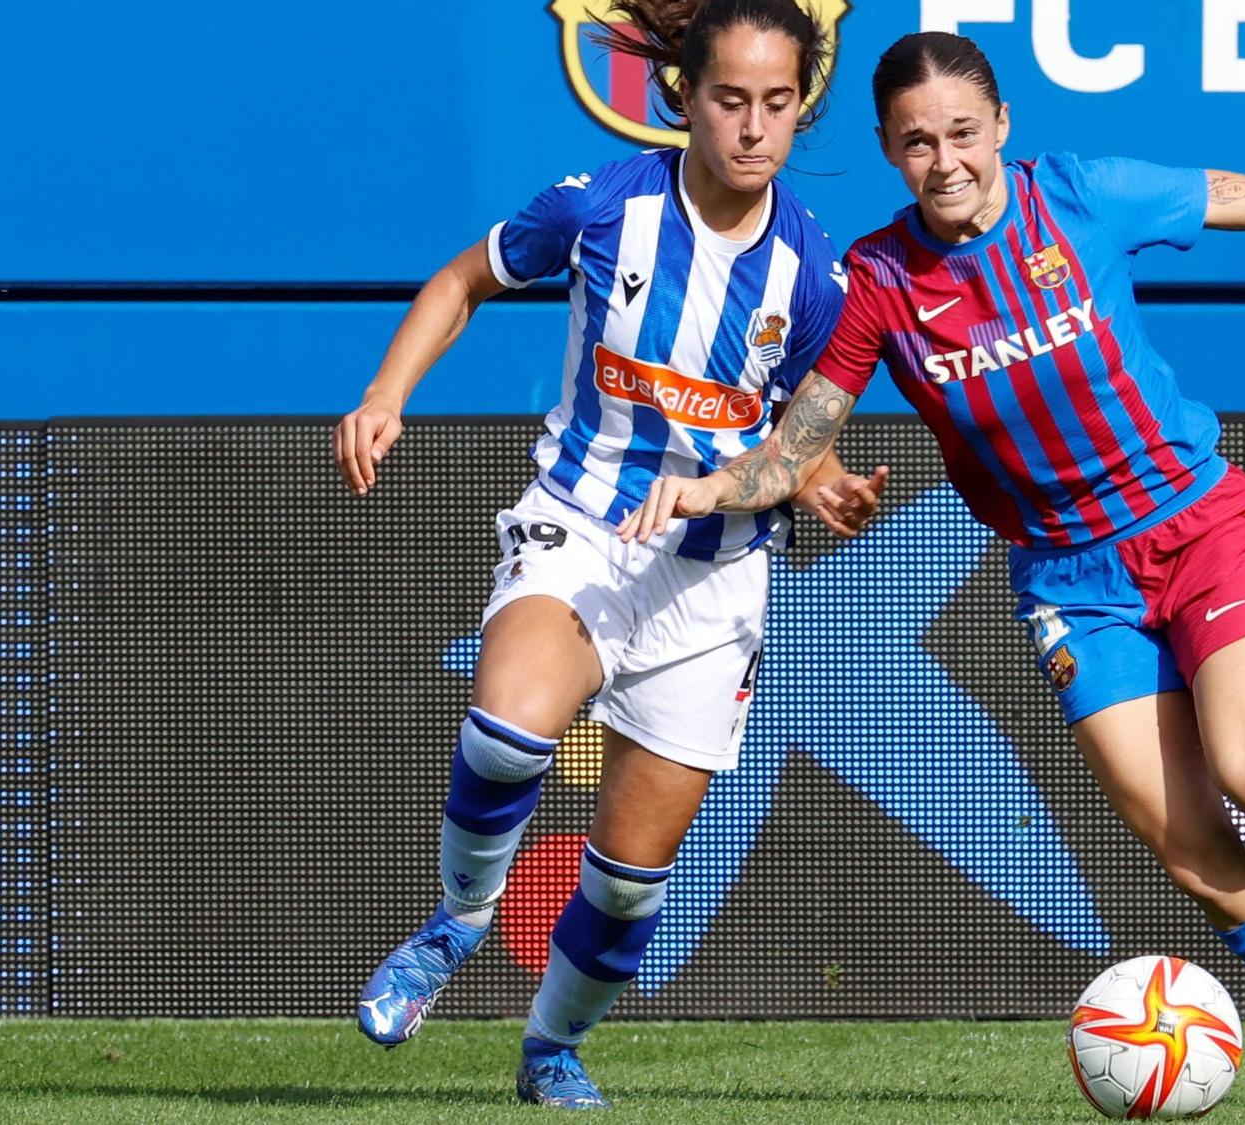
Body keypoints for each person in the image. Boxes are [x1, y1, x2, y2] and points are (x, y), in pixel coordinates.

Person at [628, 30, 1245, 1107]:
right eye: (915, 142)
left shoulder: (1085, 197)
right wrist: (712, 490)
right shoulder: (880, 282)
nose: (943, 159)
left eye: (960, 132)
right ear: (887, 151)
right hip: (1067, 584)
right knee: (1191, 857)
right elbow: (797, 442)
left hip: (1193, 528)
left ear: (1001, 128)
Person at [332, 0, 884, 1108]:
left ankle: (549, 1049)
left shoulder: (817, 278)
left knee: (628, 885)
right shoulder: (601, 208)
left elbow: (798, 440)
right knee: (507, 726)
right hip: (584, 524)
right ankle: (457, 924)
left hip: (715, 577)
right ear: (683, 96)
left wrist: (826, 484)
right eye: (730, 99)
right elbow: (460, 283)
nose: (752, 128)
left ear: (801, 109)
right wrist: (387, 394)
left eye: (778, 105)